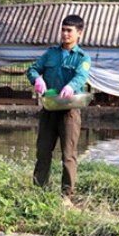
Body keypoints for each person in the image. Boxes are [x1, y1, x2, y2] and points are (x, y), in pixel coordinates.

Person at [26, 15, 91, 201]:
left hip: (69, 112)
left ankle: (67, 197)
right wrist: (36, 78)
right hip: (49, 109)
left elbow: (81, 76)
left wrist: (71, 86)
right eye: (63, 29)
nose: (65, 34)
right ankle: (39, 193)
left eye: (69, 31)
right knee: (43, 152)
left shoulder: (82, 58)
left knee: (68, 155)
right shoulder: (51, 53)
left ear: (79, 33)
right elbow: (32, 69)